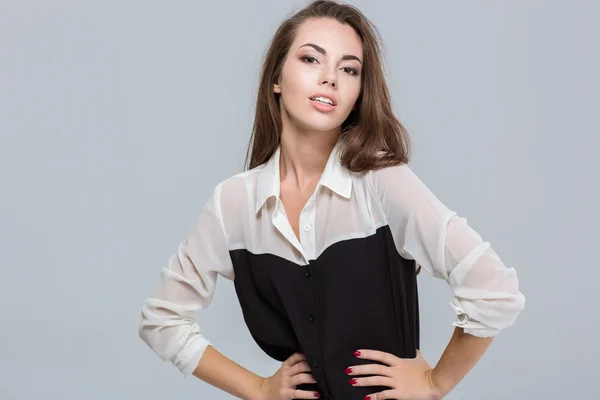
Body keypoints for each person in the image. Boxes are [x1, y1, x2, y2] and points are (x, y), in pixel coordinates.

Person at [138, 1, 526, 399]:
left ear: (358, 92)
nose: (330, 79)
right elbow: (162, 321)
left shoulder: (381, 182)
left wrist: (434, 382)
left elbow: (493, 289)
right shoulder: (233, 204)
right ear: (276, 77)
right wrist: (257, 388)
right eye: (311, 59)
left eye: (349, 69)